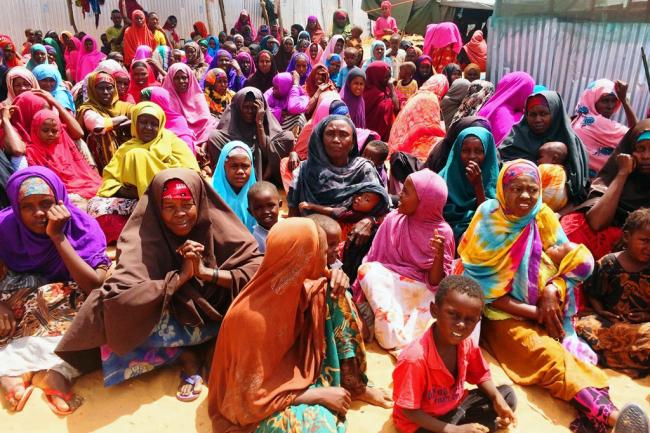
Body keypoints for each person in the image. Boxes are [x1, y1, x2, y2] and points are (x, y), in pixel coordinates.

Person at [458, 159, 649, 433]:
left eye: (532, 189)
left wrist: (553, 289)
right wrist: (536, 313)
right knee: (546, 354)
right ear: (502, 188)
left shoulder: (541, 215)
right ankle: (611, 416)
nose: (526, 196)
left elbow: (579, 258)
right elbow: (480, 290)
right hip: (501, 313)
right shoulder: (489, 220)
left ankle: (604, 411)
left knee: (574, 353)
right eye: (517, 188)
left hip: (544, 307)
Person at [57, 168, 262, 398]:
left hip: (218, 318)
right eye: (169, 206)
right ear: (156, 206)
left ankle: (198, 352)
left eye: (187, 204)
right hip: (171, 320)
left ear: (199, 200)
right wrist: (179, 279)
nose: (180, 214)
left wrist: (206, 273)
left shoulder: (220, 224)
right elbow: (121, 294)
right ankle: (185, 356)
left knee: (256, 308)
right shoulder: (141, 236)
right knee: (109, 309)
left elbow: (257, 268)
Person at [208, 218, 392, 432]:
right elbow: (247, 400)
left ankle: (353, 384)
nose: (327, 258)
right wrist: (317, 395)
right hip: (258, 403)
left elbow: (326, 285)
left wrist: (336, 276)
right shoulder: (250, 319)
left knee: (336, 294)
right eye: (321, 252)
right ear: (302, 260)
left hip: (294, 375)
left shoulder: (294, 285)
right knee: (314, 425)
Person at [0, 167, 110, 414]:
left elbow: (94, 285)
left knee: (103, 316)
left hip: (69, 301)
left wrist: (58, 237)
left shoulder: (82, 227)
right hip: (16, 302)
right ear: (16, 207)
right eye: (27, 206)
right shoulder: (4, 228)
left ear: (60, 199)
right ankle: (11, 371)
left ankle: (56, 372)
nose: (39, 213)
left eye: (46, 203)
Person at [392, 275, 517, 433]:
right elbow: (409, 411)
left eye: (470, 320)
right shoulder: (414, 359)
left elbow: (480, 375)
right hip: (422, 422)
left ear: (478, 321)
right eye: (453, 314)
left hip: (455, 407)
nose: (461, 324)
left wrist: (497, 399)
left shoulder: (466, 343)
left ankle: (470, 424)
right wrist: (453, 430)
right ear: (434, 311)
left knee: (507, 396)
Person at [355, 169, 454, 350]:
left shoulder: (443, 233)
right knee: (368, 271)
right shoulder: (394, 219)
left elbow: (436, 283)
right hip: (391, 284)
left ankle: (394, 333)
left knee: (438, 303)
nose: (400, 194)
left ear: (426, 202)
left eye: (407, 192)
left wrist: (439, 256)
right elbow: (376, 259)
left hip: (421, 290)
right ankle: (393, 332)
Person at [575, 208, 650, 378]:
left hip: (642, 327)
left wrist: (646, 315)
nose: (649, 248)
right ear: (626, 237)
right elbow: (592, 291)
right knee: (585, 327)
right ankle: (630, 360)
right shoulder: (609, 263)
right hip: (610, 323)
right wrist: (600, 310)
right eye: (644, 241)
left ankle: (618, 358)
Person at [562, 119, 650, 260]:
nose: (646, 156)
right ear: (629, 150)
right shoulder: (612, 179)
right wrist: (622, 174)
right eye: (640, 148)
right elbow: (597, 222)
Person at [499, 91, 590, 204]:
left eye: (543, 114)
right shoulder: (517, 137)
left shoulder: (571, 143)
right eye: (532, 114)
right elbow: (500, 168)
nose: (538, 119)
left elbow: (579, 189)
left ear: (555, 113)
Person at [98, 102, 200, 199]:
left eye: (154, 124)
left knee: (137, 155)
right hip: (135, 197)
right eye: (143, 122)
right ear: (135, 123)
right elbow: (109, 182)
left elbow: (192, 173)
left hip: (173, 195)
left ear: (160, 125)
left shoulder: (172, 142)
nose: (148, 127)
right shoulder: (126, 148)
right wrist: (133, 192)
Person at [207, 87, 295, 184]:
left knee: (288, 136)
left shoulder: (264, 120)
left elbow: (267, 151)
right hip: (237, 165)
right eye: (245, 107)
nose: (249, 111)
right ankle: (230, 181)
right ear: (238, 107)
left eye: (254, 107)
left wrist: (259, 123)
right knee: (214, 137)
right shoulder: (231, 124)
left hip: (264, 166)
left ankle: (262, 181)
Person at [439, 126, 498, 243]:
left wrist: (478, 186)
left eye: (478, 151)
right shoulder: (443, 180)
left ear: (487, 153)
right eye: (466, 151)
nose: (472, 156)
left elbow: (488, 219)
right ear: (457, 151)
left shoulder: (498, 181)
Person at [571, 79, 635, 178]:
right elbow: (637, 133)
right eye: (605, 101)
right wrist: (625, 101)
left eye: (614, 101)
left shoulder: (579, 119)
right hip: (597, 180)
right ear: (593, 100)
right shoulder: (596, 122)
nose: (610, 106)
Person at [77, 71, 134, 170]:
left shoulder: (124, 106)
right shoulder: (86, 109)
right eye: (101, 88)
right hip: (99, 158)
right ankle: (112, 171)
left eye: (109, 88)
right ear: (93, 90)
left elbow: (141, 115)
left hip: (127, 152)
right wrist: (123, 119)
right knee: (104, 135)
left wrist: (129, 123)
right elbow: (98, 125)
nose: (105, 92)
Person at [388, 75, 447, 161]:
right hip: (407, 144)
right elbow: (432, 127)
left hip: (398, 141)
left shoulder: (418, 94)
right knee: (441, 146)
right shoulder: (430, 98)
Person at [162, 63, 217, 146]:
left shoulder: (197, 95)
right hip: (179, 138)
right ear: (170, 80)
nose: (181, 81)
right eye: (176, 78)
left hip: (202, 136)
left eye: (184, 78)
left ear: (190, 78)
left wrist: (204, 143)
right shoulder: (166, 98)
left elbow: (206, 121)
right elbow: (170, 127)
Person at [476, 71, 534, 145]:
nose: (530, 97)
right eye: (529, 92)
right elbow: (509, 141)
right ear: (519, 92)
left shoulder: (493, 106)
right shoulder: (502, 112)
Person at [211, 141, 257, 232]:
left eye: (245, 166)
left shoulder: (257, 195)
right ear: (224, 167)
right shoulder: (211, 195)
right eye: (234, 166)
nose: (240, 171)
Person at [141, 86, 197, 153]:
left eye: (145, 102)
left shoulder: (178, 121)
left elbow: (187, 150)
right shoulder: (141, 120)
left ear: (158, 102)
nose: (140, 105)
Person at [364, 61, 399, 142]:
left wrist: (392, 89)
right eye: (386, 77)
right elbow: (396, 107)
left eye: (390, 76)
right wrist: (392, 90)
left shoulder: (386, 89)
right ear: (375, 77)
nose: (389, 80)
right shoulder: (368, 93)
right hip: (371, 137)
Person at [247, 180, 281, 253]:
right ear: (250, 211)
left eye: (270, 205)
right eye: (259, 208)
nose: (265, 211)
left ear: (280, 204)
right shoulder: (254, 241)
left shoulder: (288, 228)